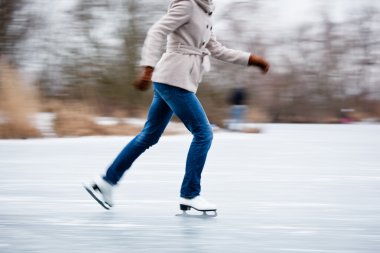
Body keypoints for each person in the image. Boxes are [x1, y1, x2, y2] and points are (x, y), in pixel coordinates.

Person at [84, 0, 269, 212]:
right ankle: (190, 194)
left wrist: (251, 59)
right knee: (203, 133)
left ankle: (106, 182)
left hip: (177, 79)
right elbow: (157, 31)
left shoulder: (205, 11)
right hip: (174, 78)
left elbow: (216, 48)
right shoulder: (188, 4)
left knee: (149, 136)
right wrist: (148, 67)